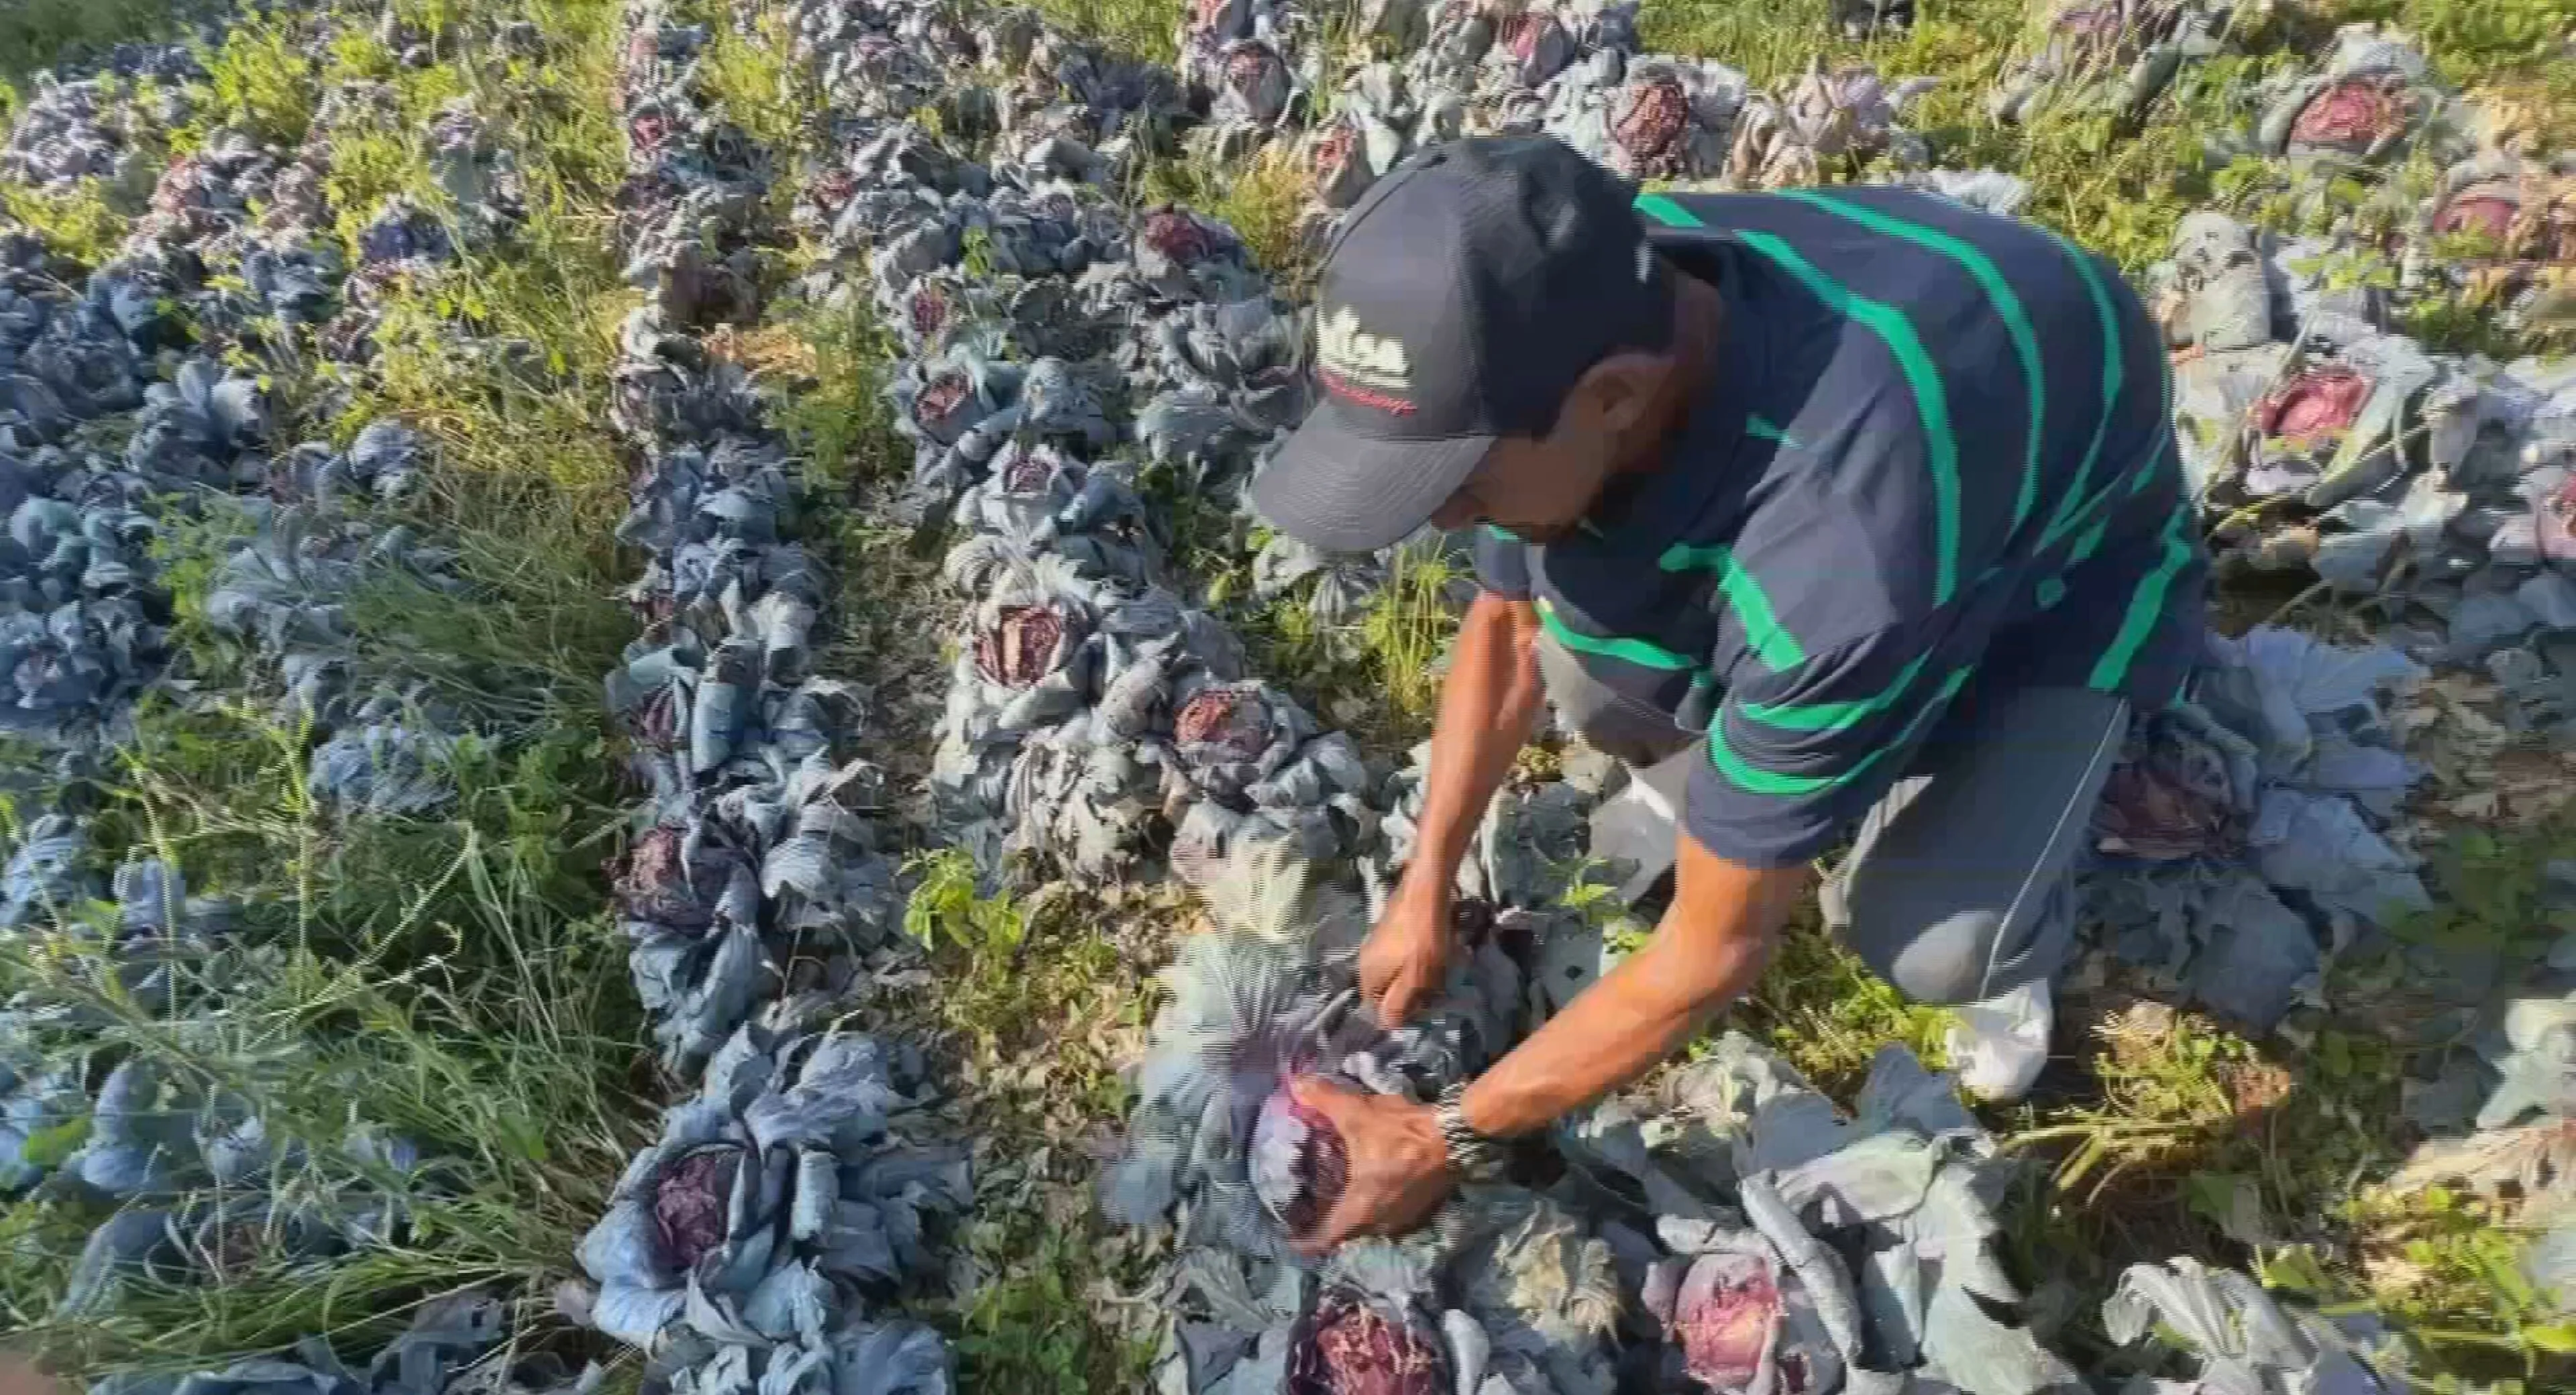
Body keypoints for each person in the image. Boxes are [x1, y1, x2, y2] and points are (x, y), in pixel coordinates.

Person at [1246, 135, 2207, 1253]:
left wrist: (1444, 1134)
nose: (1445, 518)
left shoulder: (1843, 550)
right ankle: (1765, 783)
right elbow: (1506, 627)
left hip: (2058, 577)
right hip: (1924, 455)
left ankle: (1987, 892)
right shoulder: (1577, 283)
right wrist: (1426, 879)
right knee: (1583, 658)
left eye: (1457, 481)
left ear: (1612, 397)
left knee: (1929, 938)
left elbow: (1713, 958)